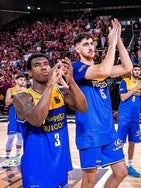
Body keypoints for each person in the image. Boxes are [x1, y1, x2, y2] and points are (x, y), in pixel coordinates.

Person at [72, 18, 133, 188]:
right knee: (90, 180)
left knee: (121, 172)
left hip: (108, 130)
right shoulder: (76, 67)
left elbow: (127, 67)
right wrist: (111, 43)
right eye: (85, 44)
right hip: (90, 132)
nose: (91, 46)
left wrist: (118, 39)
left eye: (92, 43)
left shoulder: (100, 68)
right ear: (77, 48)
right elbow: (104, 70)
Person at [13, 53, 87, 187]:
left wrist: (70, 80)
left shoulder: (61, 91)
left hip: (60, 163)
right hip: (37, 168)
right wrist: (50, 85)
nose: (43, 67)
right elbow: (36, 120)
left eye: (46, 64)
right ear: (29, 73)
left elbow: (83, 107)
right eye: (37, 65)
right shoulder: (22, 97)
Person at [117, 64, 141, 177]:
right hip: (124, 117)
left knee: (132, 142)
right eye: (135, 70)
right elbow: (123, 97)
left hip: (135, 118)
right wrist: (135, 88)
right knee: (120, 142)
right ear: (131, 71)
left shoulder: (140, 84)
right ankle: (118, 165)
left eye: (138, 70)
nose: (137, 72)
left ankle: (130, 165)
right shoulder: (125, 81)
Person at [2, 73, 26, 168]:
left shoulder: (27, 91)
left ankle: (17, 156)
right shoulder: (10, 90)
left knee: (20, 137)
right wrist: (17, 96)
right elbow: (7, 102)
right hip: (12, 118)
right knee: (11, 138)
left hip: (22, 118)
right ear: (15, 81)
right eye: (21, 80)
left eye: (24, 80)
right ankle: (7, 158)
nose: (23, 81)